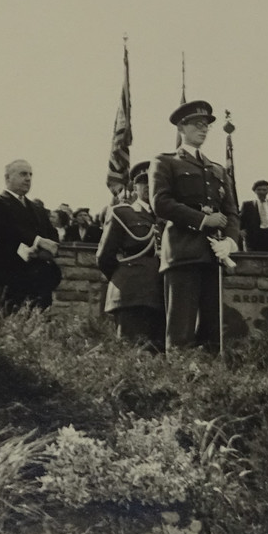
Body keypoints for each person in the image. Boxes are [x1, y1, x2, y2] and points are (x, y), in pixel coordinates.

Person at [150, 99, 241, 354]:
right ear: (182, 127)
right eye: (197, 124)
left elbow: (232, 211)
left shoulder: (218, 170)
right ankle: (180, 385)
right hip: (183, 253)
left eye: (206, 125)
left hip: (214, 256)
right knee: (181, 331)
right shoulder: (165, 161)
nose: (203, 129)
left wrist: (230, 242)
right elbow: (161, 202)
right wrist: (202, 220)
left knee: (214, 332)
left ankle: (211, 387)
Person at [96, 161, 166, 351]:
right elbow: (105, 257)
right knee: (131, 350)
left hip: (161, 294)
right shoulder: (122, 213)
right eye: (144, 183)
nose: (150, 188)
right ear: (135, 187)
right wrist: (125, 278)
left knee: (158, 353)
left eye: (154, 183)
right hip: (132, 293)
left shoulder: (166, 218)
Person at [0, 159, 63, 313]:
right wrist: (36, 241)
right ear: (7, 178)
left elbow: (52, 237)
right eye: (23, 174)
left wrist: (42, 251)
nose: (28, 178)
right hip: (6, 277)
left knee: (37, 327)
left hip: (36, 281)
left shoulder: (37, 209)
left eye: (31, 174)